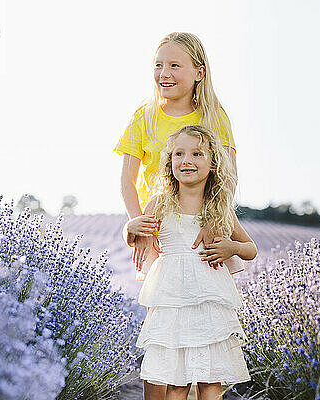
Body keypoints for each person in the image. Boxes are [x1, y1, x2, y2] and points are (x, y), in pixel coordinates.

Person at [123, 125, 257, 400]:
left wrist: (231, 247)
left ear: (212, 163)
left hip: (208, 299)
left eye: (197, 154)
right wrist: (130, 228)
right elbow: (136, 238)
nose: (187, 161)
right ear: (169, 161)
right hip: (172, 299)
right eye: (178, 154)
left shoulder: (219, 210)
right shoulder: (161, 204)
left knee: (210, 380)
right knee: (176, 381)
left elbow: (250, 249)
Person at [114, 31, 240, 280]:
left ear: (199, 73)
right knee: (163, 306)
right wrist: (139, 223)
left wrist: (215, 220)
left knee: (207, 304)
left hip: (203, 227)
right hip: (159, 233)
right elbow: (127, 181)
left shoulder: (215, 117)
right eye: (158, 65)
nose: (164, 73)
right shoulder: (144, 117)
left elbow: (229, 177)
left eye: (174, 66)